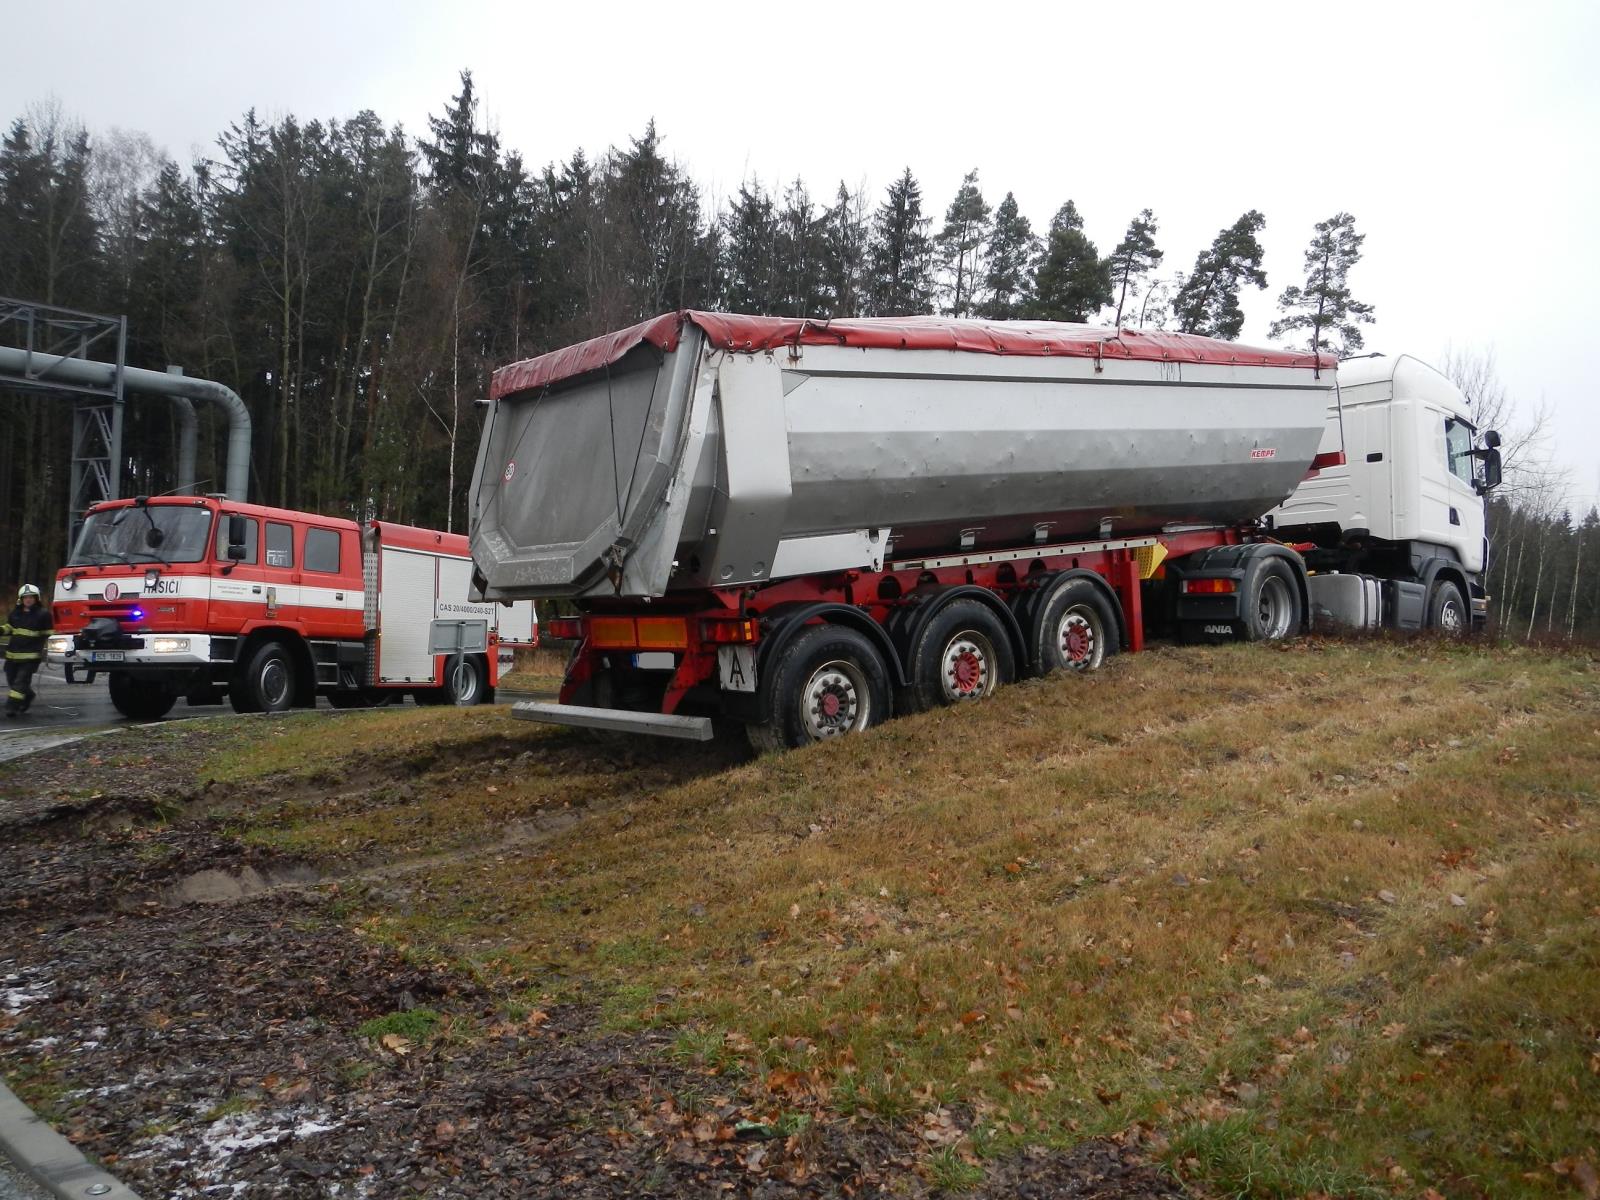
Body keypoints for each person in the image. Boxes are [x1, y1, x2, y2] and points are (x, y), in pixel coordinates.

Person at [3, 584, 53, 718]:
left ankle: (11, 707)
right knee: (12, 681)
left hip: (30, 657)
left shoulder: (43, 615)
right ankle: (28, 696)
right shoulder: (15, 613)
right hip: (12, 656)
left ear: (37, 599)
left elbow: (50, 634)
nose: (28, 600)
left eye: (31, 597)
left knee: (20, 683)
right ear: (21, 599)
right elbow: (9, 628)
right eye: (26, 597)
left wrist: (50, 649)